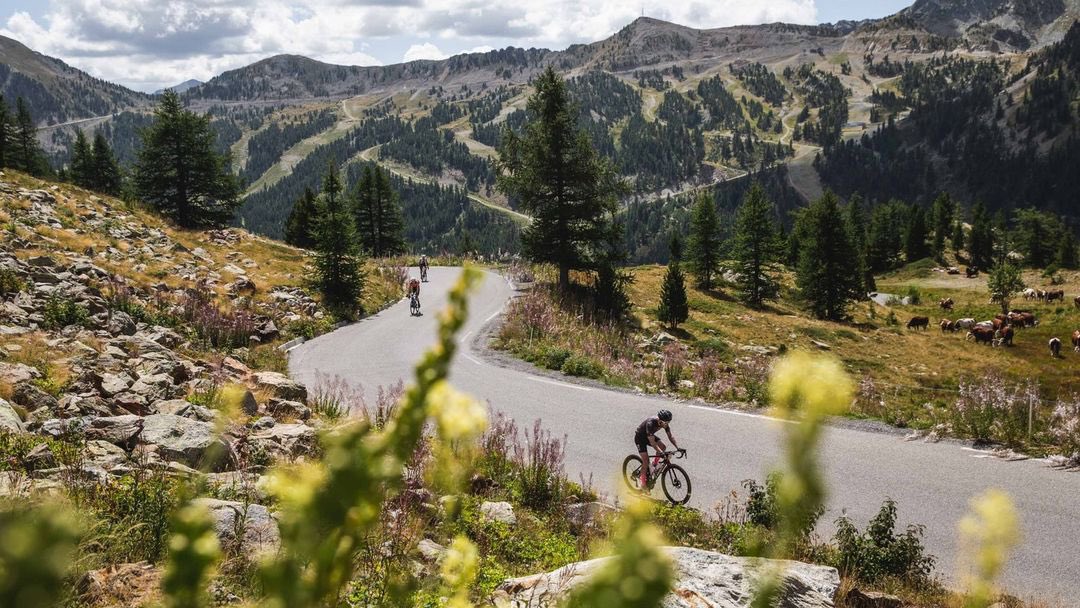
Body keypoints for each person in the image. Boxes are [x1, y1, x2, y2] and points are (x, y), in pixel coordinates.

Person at [634, 409, 683, 490]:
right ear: (660, 420)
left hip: (649, 436)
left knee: (663, 447)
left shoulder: (664, 423)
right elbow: (653, 443)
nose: (667, 424)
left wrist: (678, 447)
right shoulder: (650, 423)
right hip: (640, 438)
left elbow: (670, 437)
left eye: (668, 422)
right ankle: (643, 484)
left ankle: (654, 464)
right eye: (665, 422)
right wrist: (661, 453)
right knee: (645, 461)